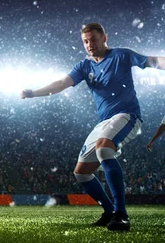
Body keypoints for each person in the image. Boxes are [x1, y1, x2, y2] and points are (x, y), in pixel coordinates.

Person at [21, 23, 165, 232]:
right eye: (86, 41)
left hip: (127, 115)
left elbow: (151, 61)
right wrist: (34, 93)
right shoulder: (84, 67)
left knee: (104, 148)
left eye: (94, 39)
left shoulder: (121, 55)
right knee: (81, 173)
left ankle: (121, 214)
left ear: (104, 37)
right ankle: (109, 211)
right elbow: (62, 83)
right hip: (104, 122)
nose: (90, 45)